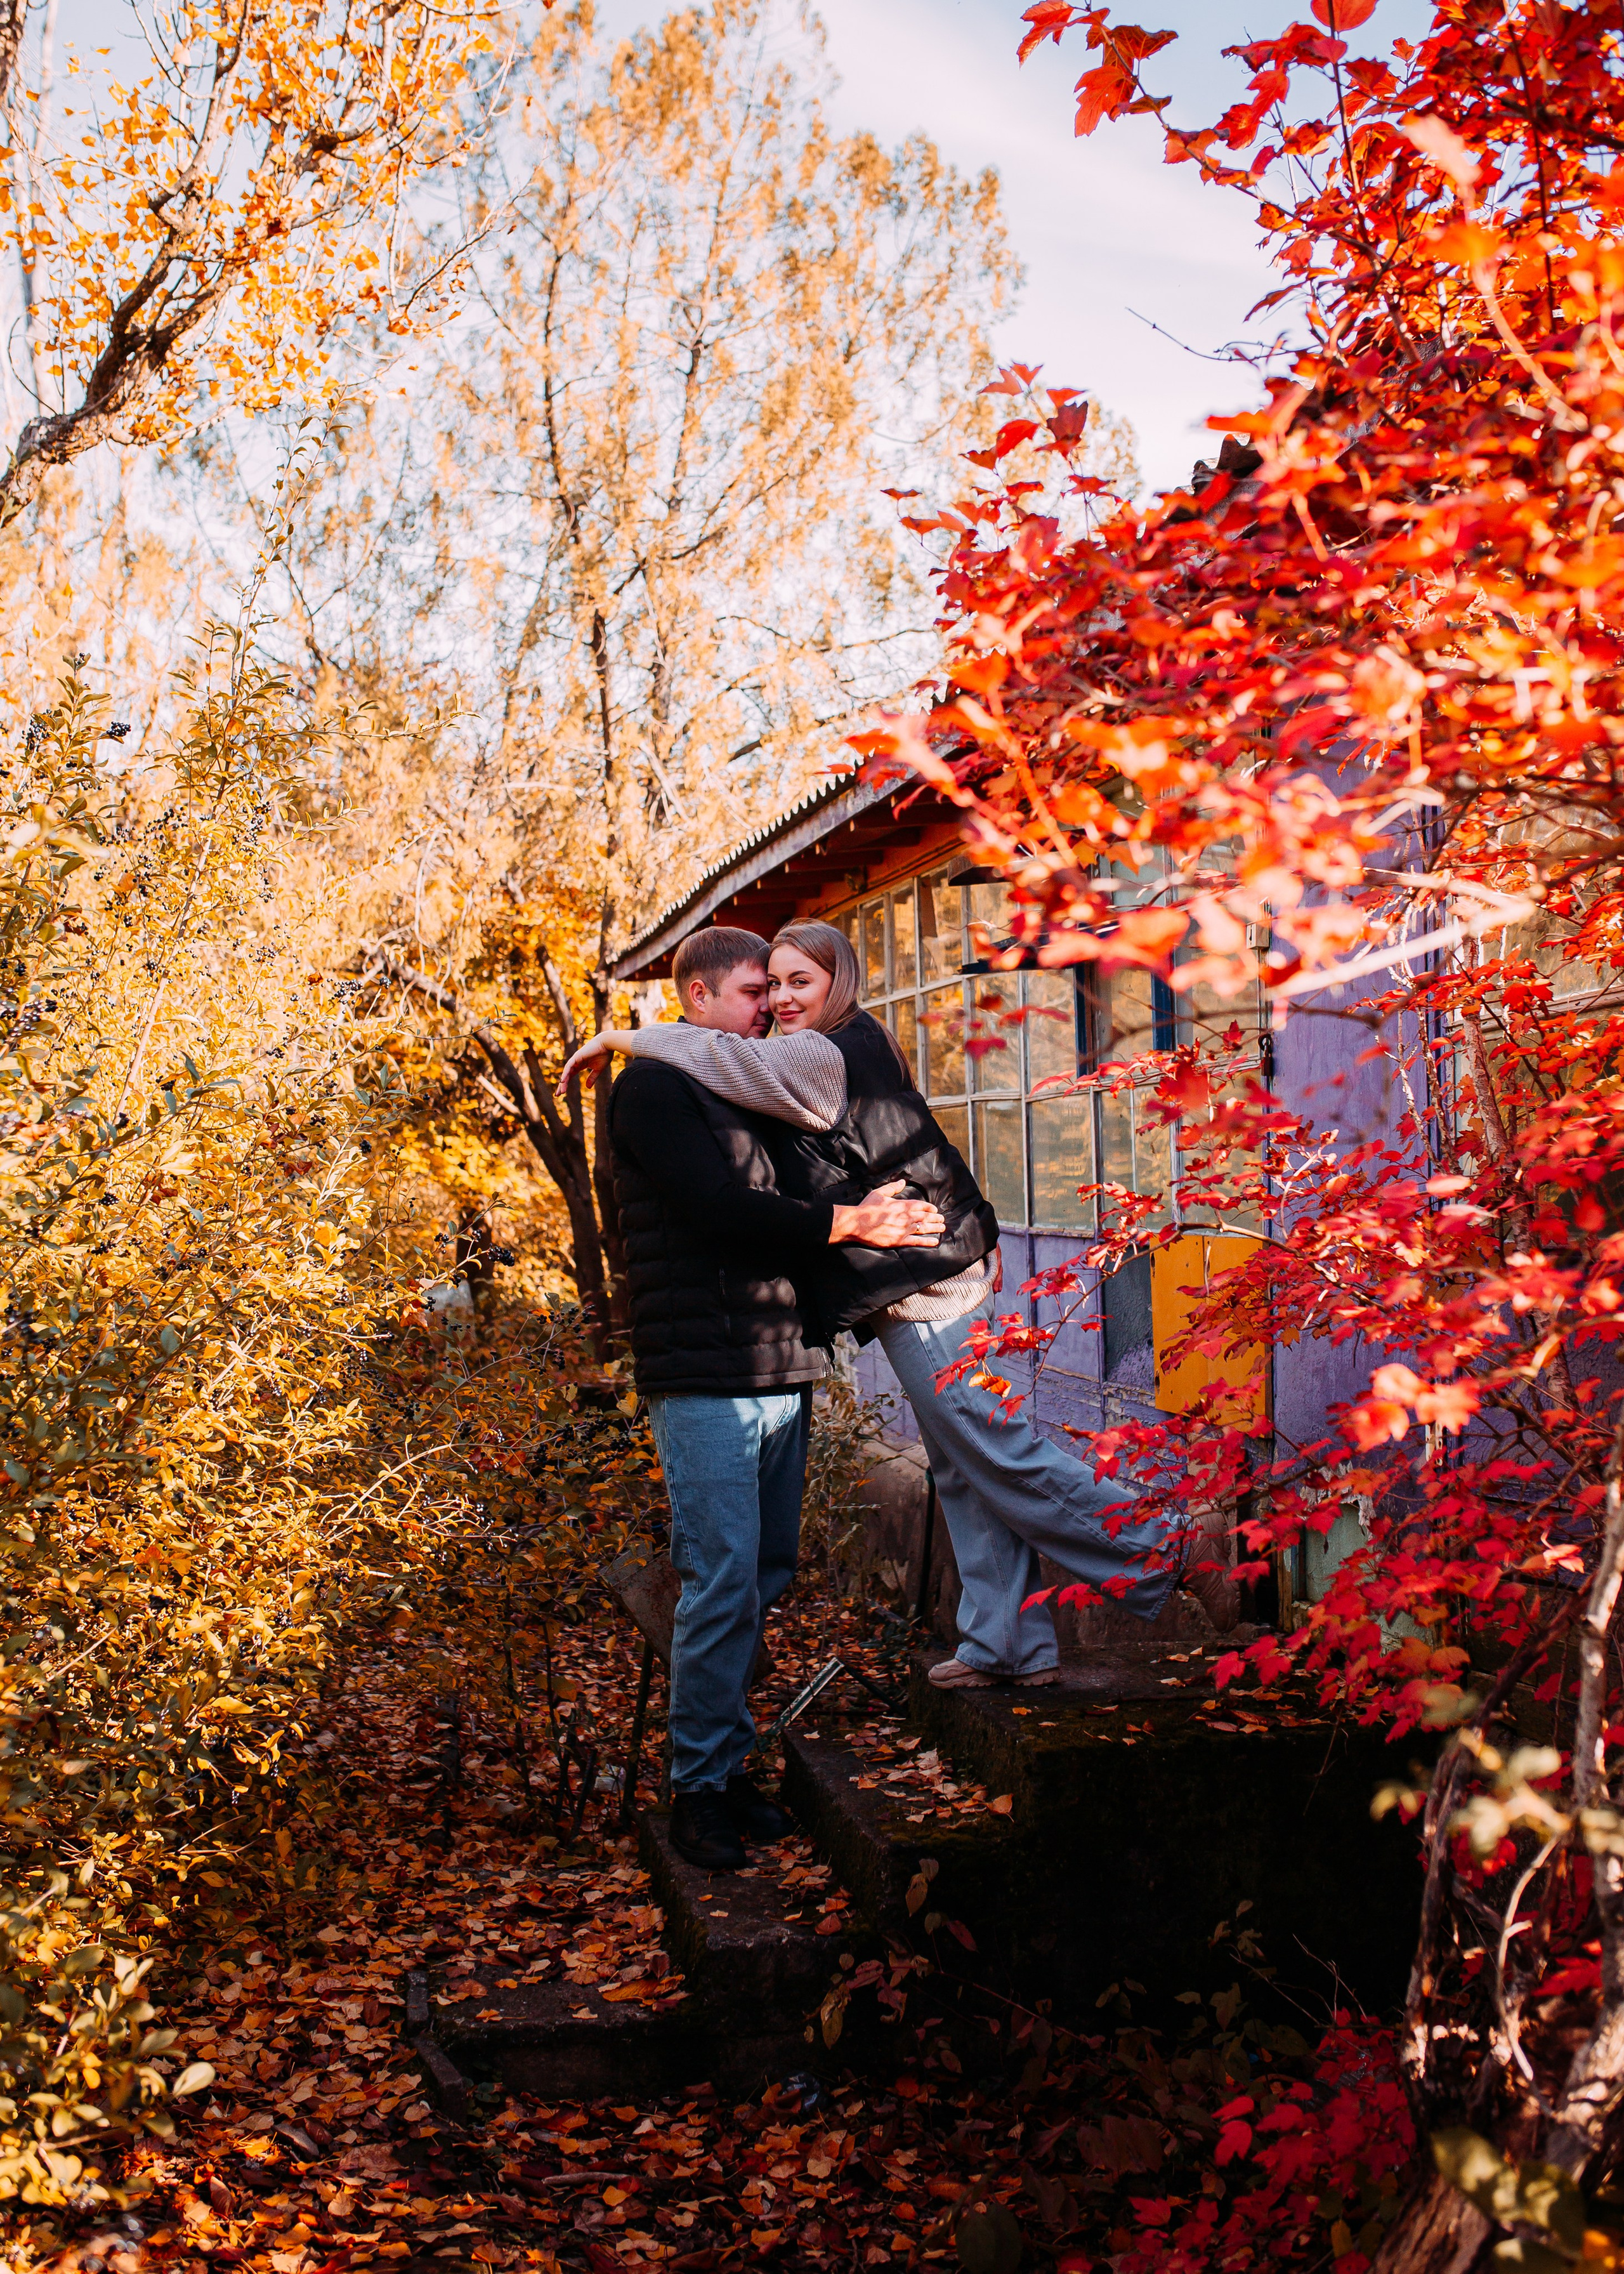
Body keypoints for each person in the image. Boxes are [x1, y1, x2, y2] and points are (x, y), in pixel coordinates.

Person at [565, 920, 1231, 1692]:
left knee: (993, 1450)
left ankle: (1171, 1551)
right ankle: (1006, 1643)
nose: (781, 999)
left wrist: (620, 1037)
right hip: (919, 1284)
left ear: (837, 982)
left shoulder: (817, 1053)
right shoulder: (841, 1043)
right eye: (770, 985)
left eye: (797, 982)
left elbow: (717, 1053)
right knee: (962, 1465)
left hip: (925, 1291)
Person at [605, 924, 946, 1872]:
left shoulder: (747, 1083)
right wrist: (856, 1221)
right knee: (720, 1580)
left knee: (763, 1573)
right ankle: (698, 1792)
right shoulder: (654, 1088)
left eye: (779, 990)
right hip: (704, 1374)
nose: (773, 1008)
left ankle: (729, 1764)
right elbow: (720, 1210)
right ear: (701, 998)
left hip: (779, 1361)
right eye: (756, 992)